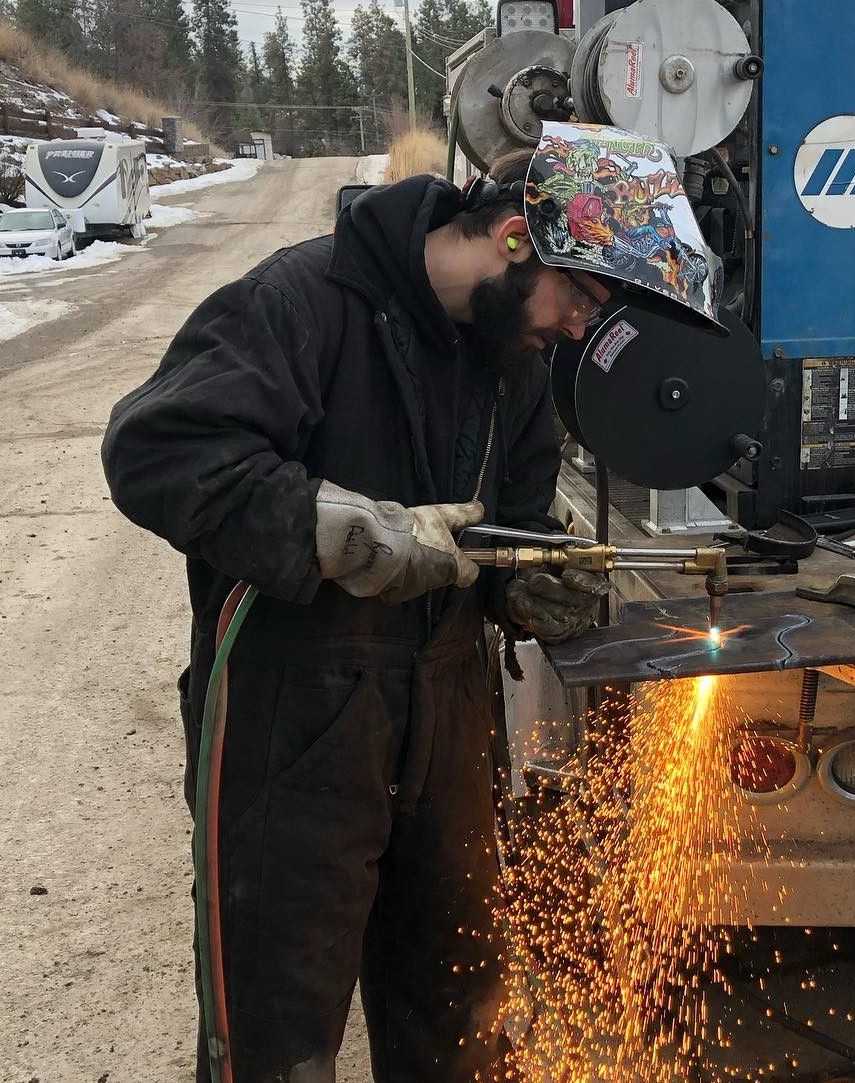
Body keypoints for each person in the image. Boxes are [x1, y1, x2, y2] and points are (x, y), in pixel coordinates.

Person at [100, 122, 724, 1082]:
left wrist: (535, 582)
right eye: (581, 299)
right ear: (518, 234)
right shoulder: (300, 303)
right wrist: (333, 530)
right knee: (278, 1034)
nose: (574, 330)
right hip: (291, 723)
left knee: (461, 1012)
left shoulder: (510, 365)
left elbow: (507, 531)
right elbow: (155, 451)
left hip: (445, 717)